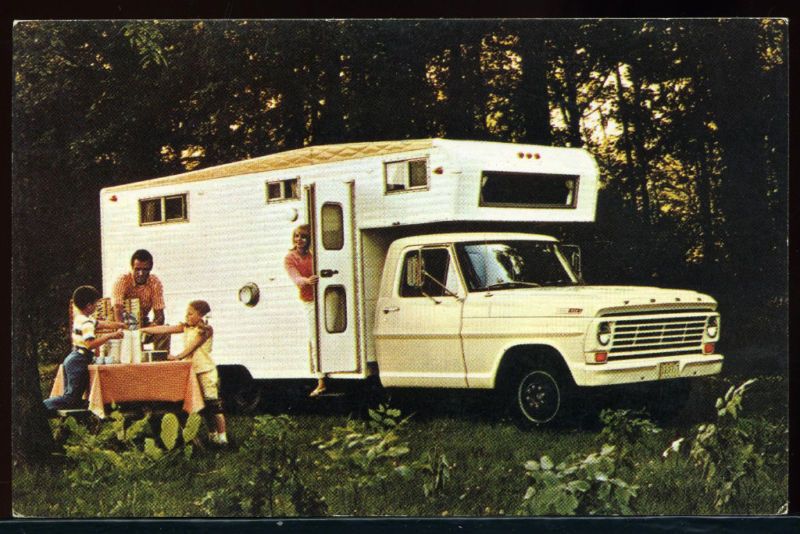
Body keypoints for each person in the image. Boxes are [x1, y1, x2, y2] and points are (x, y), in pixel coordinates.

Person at [141, 300, 228, 446]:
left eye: (190, 313)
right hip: (192, 370)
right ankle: (212, 434)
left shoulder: (206, 330)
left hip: (205, 370)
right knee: (202, 406)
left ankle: (223, 436)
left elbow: (193, 347)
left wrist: (178, 357)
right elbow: (165, 329)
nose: (187, 316)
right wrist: (145, 330)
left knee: (213, 404)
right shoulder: (186, 327)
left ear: (200, 315)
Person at [44, 286, 125, 411]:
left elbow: (102, 324)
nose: (96, 307)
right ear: (89, 306)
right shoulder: (86, 323)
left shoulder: (82, 319)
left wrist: (120, 325)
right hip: (79, 359)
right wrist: (111, 335)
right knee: (70, 399)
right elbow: (90, 344)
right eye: (95, 304)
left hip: (73, 358)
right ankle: (40, 406)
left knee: (73, 398)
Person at [283, 224, 327, 397]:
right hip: (310, 300)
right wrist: (307, 281)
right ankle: (321, 380)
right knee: (314, 337)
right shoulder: (290, 258)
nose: (299, 240)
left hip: (325, 298)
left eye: (303, 237)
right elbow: (295, 277)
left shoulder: (314, 255)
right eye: (296, 236)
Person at [112, 249, 170, 351]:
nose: (141, 273)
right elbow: (117, 308)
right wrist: (123, 330)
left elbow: (160, 315)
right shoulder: (123, 280)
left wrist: (154, 326)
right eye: (137, 269)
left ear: (150, 269)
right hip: (121, 323)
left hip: (143, 323)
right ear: (132, 268)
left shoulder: (155, 282)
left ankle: (161, 362)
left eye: (145, 269)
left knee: (164, 330)